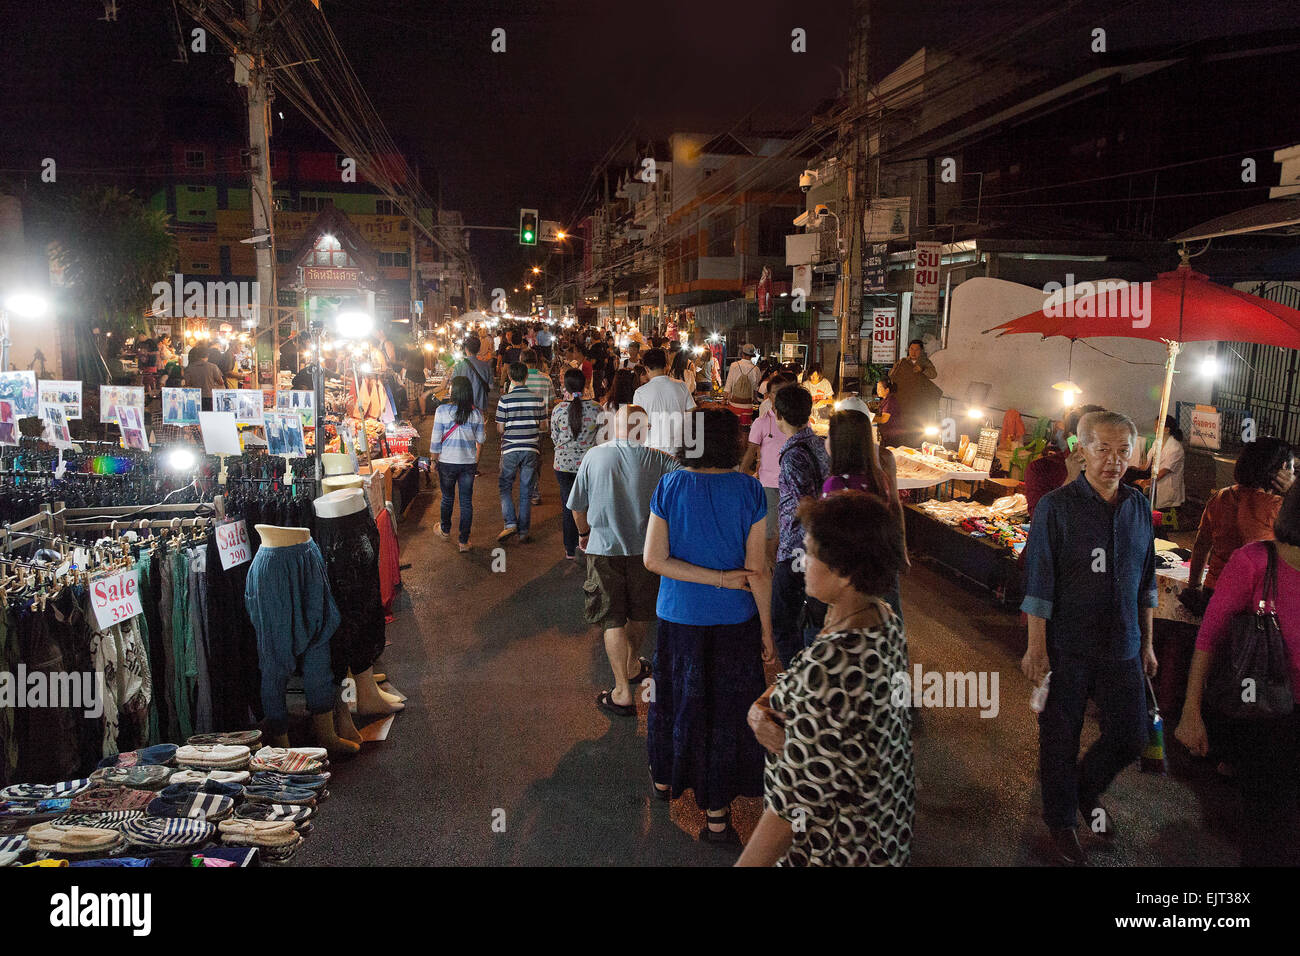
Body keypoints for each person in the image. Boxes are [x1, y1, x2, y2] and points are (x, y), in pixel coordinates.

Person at [738, 491, 913, 866]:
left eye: (812, 553)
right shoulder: (880, 618)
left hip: (833, 845)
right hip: (879, 827)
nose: (803, 562)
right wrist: (763, 707)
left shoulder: (834, 662)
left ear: (845, 571)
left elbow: (791, 804)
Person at [1020, 410, 1158, 866]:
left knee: (1131, 733)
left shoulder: (1138, 506)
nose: (1114, 461)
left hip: (1123, 642)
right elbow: (1039, 581)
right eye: (1103, 449)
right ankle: (1060, 820)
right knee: (1060, 735)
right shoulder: (1056, 507)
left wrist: (1148, 643)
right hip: (1067, 643)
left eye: (1123, 451)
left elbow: (1146, 583)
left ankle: (1084, 789)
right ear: (1081, 450)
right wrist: (1036, 646)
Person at [643, 407, 773, 844]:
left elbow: (653, 560)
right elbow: (757, 571)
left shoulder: (670, 485)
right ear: (732, 442)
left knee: (675, 700)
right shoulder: (750, 491)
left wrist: (708, 578)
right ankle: (717, 818)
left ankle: (664, 779)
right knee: (723, 715)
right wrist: (768, 633)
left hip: (678, 618)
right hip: (734, 623)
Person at [1175, 483, 1300, 866]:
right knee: (1273, 831)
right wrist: (1190, 712)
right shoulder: (1255, 562)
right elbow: (1209, 636)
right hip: (1269, 718)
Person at [571, 405, 681, 715]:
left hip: (603, 549)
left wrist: (583, 533)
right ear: (644, 430)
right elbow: (687, 478)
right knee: (641, 612)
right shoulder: (659, 460)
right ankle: (633, 665)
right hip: (645, 551)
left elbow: (577, 507)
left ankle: (621, 690)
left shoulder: (595, 456)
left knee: (612, 618)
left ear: (615, 427)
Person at [1185, 437, 1295, 599]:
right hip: (1252, 598)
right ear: (1284, 468)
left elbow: (1201, 546)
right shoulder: (1278, 507)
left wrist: (1194, 586)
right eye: (1293, 467)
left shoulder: (1221, 497)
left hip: (1214, 591)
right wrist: (1293, 492)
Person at [770, 385, 832, 668]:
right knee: (813, 616)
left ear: (777, 414)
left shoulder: (794, 454)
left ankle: (797, 682)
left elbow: (801, 503)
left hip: (798, 548)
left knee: (783, 621)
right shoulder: (819, 444)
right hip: (819, 546)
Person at [822, 408, 905, 619]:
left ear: (840, 442)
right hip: (881, 566)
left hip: (853, 577)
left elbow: (830, 540)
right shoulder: (879, 478)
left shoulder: (836, 484)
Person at [740, 373, 796, 570]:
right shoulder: (762, 422)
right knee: (769, 532)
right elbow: (750, 451)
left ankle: (782, 569)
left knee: (789, 530)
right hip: (769, 485)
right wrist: (741, 476)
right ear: (769, 396)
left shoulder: (797, 422)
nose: (779, 396)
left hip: (793, 485)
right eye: (775, 392)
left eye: (785, 392)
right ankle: (772, 569)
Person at [430, 376, 485, 552]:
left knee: (447, 498)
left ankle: (445, 530)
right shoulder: (476, 414)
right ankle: (463, 541)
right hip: (468, 463)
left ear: (453, 391)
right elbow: (481, 439)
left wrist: (433, 460)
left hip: (446, 462)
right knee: (466, 502)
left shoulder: (442, 411)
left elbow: (435, 439)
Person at [494, 362, 546, 543]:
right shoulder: (538, 398)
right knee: (526, 491)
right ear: (526, 377)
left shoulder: (504, 399)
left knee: (505, 486)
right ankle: (523, 531)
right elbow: (543, 426)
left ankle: (510, 524)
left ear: (509, 377)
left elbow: (500, 428)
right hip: (531, 448)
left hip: (510, 449)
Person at [552, 368, 601, 559]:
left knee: (568, 505)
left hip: (563, 466)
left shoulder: (558, 409)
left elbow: (554, 438)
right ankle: (589, 543)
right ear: (586, 385)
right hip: (588, 465)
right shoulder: (596, 408)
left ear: (565, 386)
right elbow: (602, 438)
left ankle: (569, 548)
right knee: (588, 505)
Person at [1024, 404, 1106, 517]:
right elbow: (1041, 518)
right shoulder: (1041, 468)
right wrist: (1072, 479)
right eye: (1092, 438)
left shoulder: (1110, 469)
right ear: (1072, 437)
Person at [632, 348, 696, 454]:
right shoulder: (681, 385)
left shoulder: (640, 392)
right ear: (666, 366)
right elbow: (692, 412)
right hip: (678, 447)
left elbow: (638, 425)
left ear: (646, 369)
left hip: (652, 448)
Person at [889, 339, 940, 436]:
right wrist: (895, 368)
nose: (913, 352)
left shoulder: (925, 362)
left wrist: (922, 369)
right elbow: (891, 375)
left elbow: (933, 374)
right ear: (908, 350)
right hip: (903, 399)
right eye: (911, 349)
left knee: (916, 428)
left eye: (917, 350)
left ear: (921, 351)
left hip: (918, 402)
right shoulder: (903, 361)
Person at [1135, 415, 1186, 510]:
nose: (1155, 429)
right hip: (1155, 484)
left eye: (1157, 426)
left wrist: (1145, 482)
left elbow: (1164, 471)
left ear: (1167, 429)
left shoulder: (1175, 448)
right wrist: (1132, 468)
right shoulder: (1157, 443)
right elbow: (1145, 466)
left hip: (1167, 490)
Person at [453, 335, 495, 413]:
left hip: (463, 405)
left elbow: (453, 386)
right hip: (480, 405)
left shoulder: (458, 366)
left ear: (465, 349)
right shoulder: (486, 366)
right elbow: (491, 386)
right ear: (479, 349)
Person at [183, 346, 225, 410]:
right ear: (207, 355)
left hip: (195, 397)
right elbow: (221, 382)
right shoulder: (213, 366)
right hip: (210, 397)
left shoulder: (189, 368)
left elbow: (187, 383)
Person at [874, 377, 905, 448]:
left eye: (879, 388)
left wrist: (869, 417)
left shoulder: (891, 401)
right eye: (877, 388)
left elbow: (883, 419)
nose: (877, 391)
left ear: (887, 390)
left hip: (892, 437)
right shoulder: (885, 400)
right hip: (887, 435)